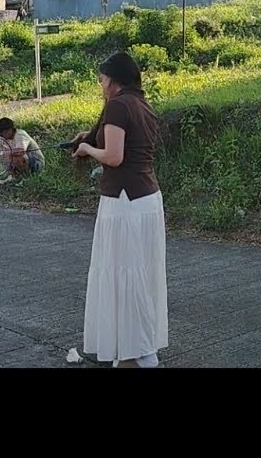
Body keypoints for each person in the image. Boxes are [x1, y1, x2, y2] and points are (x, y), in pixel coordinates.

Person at [72, 51, 167, 368]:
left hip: (124, 202)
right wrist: (89, 138)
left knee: (123, 274)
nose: (100, 85)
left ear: (112, 80)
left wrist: (87, 148)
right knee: (140, 275)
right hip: (147, 198)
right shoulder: (142, 105)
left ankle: (139, 353)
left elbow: (113, 156)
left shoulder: (116, 106)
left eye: (101, 80)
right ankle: (135, 348)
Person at [0, 117, 44, 184]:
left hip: (36, 163)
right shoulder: (4, 138)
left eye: (3, 133)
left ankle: (26, 178)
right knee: (4, 153)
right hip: (27, 162)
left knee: (15, 155)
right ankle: (14, 176)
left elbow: (20, 151)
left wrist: (2, 153)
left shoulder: (20, 134)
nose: (1, 135)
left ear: (10, 130)